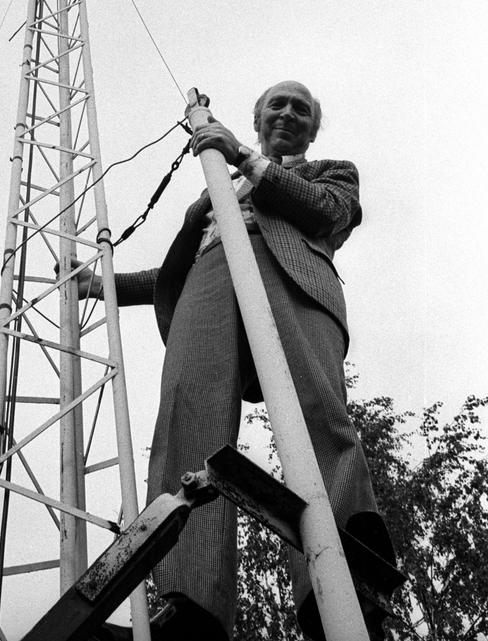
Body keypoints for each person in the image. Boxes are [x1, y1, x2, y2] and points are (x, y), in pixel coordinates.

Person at [83, 81, 396, 641]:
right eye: (278, 104)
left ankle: (343, 578)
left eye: (301, 108)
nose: (288, 113)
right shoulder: (217, 187)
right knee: (187, 413)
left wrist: (243, 157)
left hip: (295, 283)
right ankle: (192, 600)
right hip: (210, 279)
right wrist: (101, 284)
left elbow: (327, 211)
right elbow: (174, 273)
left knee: (316, 412)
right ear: (258, 116)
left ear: (312, 129)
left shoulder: (330, 172)